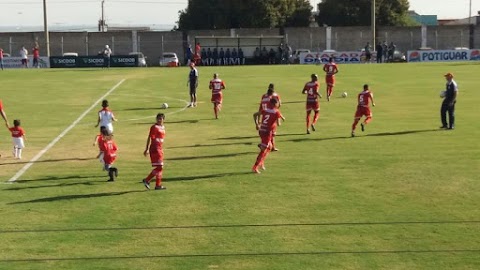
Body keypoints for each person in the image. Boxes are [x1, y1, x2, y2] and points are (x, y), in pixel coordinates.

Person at [252, 98, 285, 173]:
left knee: (269, 147)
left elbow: (255, 115)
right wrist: (279, 121)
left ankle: (261, 163)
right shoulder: (276, 112)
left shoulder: (265, 110)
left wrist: (257, 124)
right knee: (264, 149)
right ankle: (255, 167)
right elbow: (279, 123)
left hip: (262, 130)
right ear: (275, 103)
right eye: (277, 103)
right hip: (267, 132)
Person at [142, 113, 167, 190]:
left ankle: (157, 185)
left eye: (161, 119)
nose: (159, 120)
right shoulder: (154, 127)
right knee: (160, 167)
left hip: (159, 148)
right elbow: (149, 138)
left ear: (163, 120)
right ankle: (147, 180)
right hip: (155, 148)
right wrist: (146, 149)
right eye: (158, 118)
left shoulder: (163, 127)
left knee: (160, 167)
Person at [253, 83, 281, 151]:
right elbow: (279, 105)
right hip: (271, 115)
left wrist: (257, 123)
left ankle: (267, 145)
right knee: (272, 133)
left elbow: (260, 108)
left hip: (264, 115)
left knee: (266, 132)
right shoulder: (274, 97)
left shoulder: (263, 96)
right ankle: (269, 146)